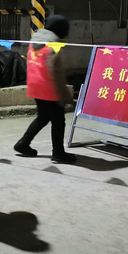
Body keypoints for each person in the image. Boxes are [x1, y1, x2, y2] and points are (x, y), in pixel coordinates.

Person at [13, 15, 77, 163]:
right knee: (58, 120)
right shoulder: (54, 45)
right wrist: (64, 94)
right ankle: (58, 153)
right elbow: (55, 71)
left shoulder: (34, 41)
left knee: (43, 117)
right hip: (49, 88)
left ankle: (23, 143)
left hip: (35, 85)